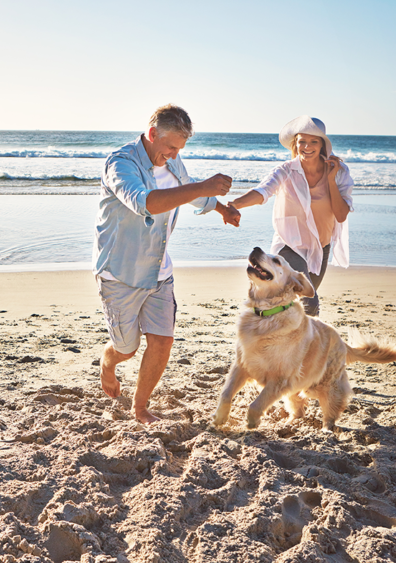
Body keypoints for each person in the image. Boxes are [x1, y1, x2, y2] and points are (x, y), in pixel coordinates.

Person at [93, 104, 240, 424]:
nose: (174, 154)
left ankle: (140, 407)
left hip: (159, 269)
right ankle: (108, 361)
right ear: (151, 134)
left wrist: (220, 208)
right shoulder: (120, 165)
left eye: (180, 149)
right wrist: (202, 187)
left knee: (162, 342)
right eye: (171, 147)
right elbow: (145, 203)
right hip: (121, 272)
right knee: (127, 349)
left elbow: (188, 192)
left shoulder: (172, 161)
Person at [226, 115, 353, 316]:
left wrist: (330, 179)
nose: (307, 147)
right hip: (290, 245)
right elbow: (263, 191)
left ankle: (287, 340)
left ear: (322, 145)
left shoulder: (339, 173)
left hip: (321, 247)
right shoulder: (286, 170)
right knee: (309, 303)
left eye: (314, 141)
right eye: (302, 141)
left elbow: (341, 214)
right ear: (295, 143)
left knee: (298, 305)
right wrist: (234, 205)